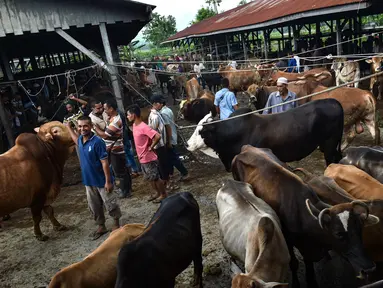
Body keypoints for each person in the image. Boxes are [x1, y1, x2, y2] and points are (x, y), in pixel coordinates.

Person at [65, 115, 121, 240]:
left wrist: (108, 181)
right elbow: (75, 139)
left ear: (90, 126)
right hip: (88, 181)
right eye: (79, 126)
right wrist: (69, 128)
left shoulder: (97, 142)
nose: (82, 128)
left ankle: (116, 223)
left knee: (110, 203)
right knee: (94, 206)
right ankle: (101, 226)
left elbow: (105, 162)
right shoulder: (80, 140)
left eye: (85, 126)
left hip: (102, 181)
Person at [126, 104, 167, 203]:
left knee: (155, 177)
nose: (127, 117)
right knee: (150, 178)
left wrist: (151, 147)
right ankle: (157, 193)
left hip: (148, 157)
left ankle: (163, 194)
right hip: (142, 157)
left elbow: (157, 136)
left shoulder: (143, 127)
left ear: (133, 115)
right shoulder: (135, 125)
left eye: (128, 115)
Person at [94, 99, 132, 199]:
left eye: (105, 108)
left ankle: (124, 191)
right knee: (123, 170)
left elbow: (105, 136)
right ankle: (127, 189)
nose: (104, 110)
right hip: (116, 149)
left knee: (119, 172)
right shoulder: (113, 118)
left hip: (116, 150)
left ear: (111, 109)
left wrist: (95, 128)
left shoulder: (116, 121)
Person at [153, 96, 189, 182]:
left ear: (160, 104)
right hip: (172, 135)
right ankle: (171, 173)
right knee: (170, 157)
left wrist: (168, 141)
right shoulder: (168, 110)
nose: (154, 106)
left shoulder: (163, 113)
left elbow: (167, 127)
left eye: (155, 104)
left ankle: (185, 173)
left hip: (169, 138)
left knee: (173, 157)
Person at [148, 95, 177, 191]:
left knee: (164, 163)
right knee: (163, 164)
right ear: (155, 104)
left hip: (160, 143)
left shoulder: (157, 113)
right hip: (159, 144)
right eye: (160, 103)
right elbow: (152, 131)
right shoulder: (155, 116)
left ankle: (167, 181)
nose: (161, 104)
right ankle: (166, 182)